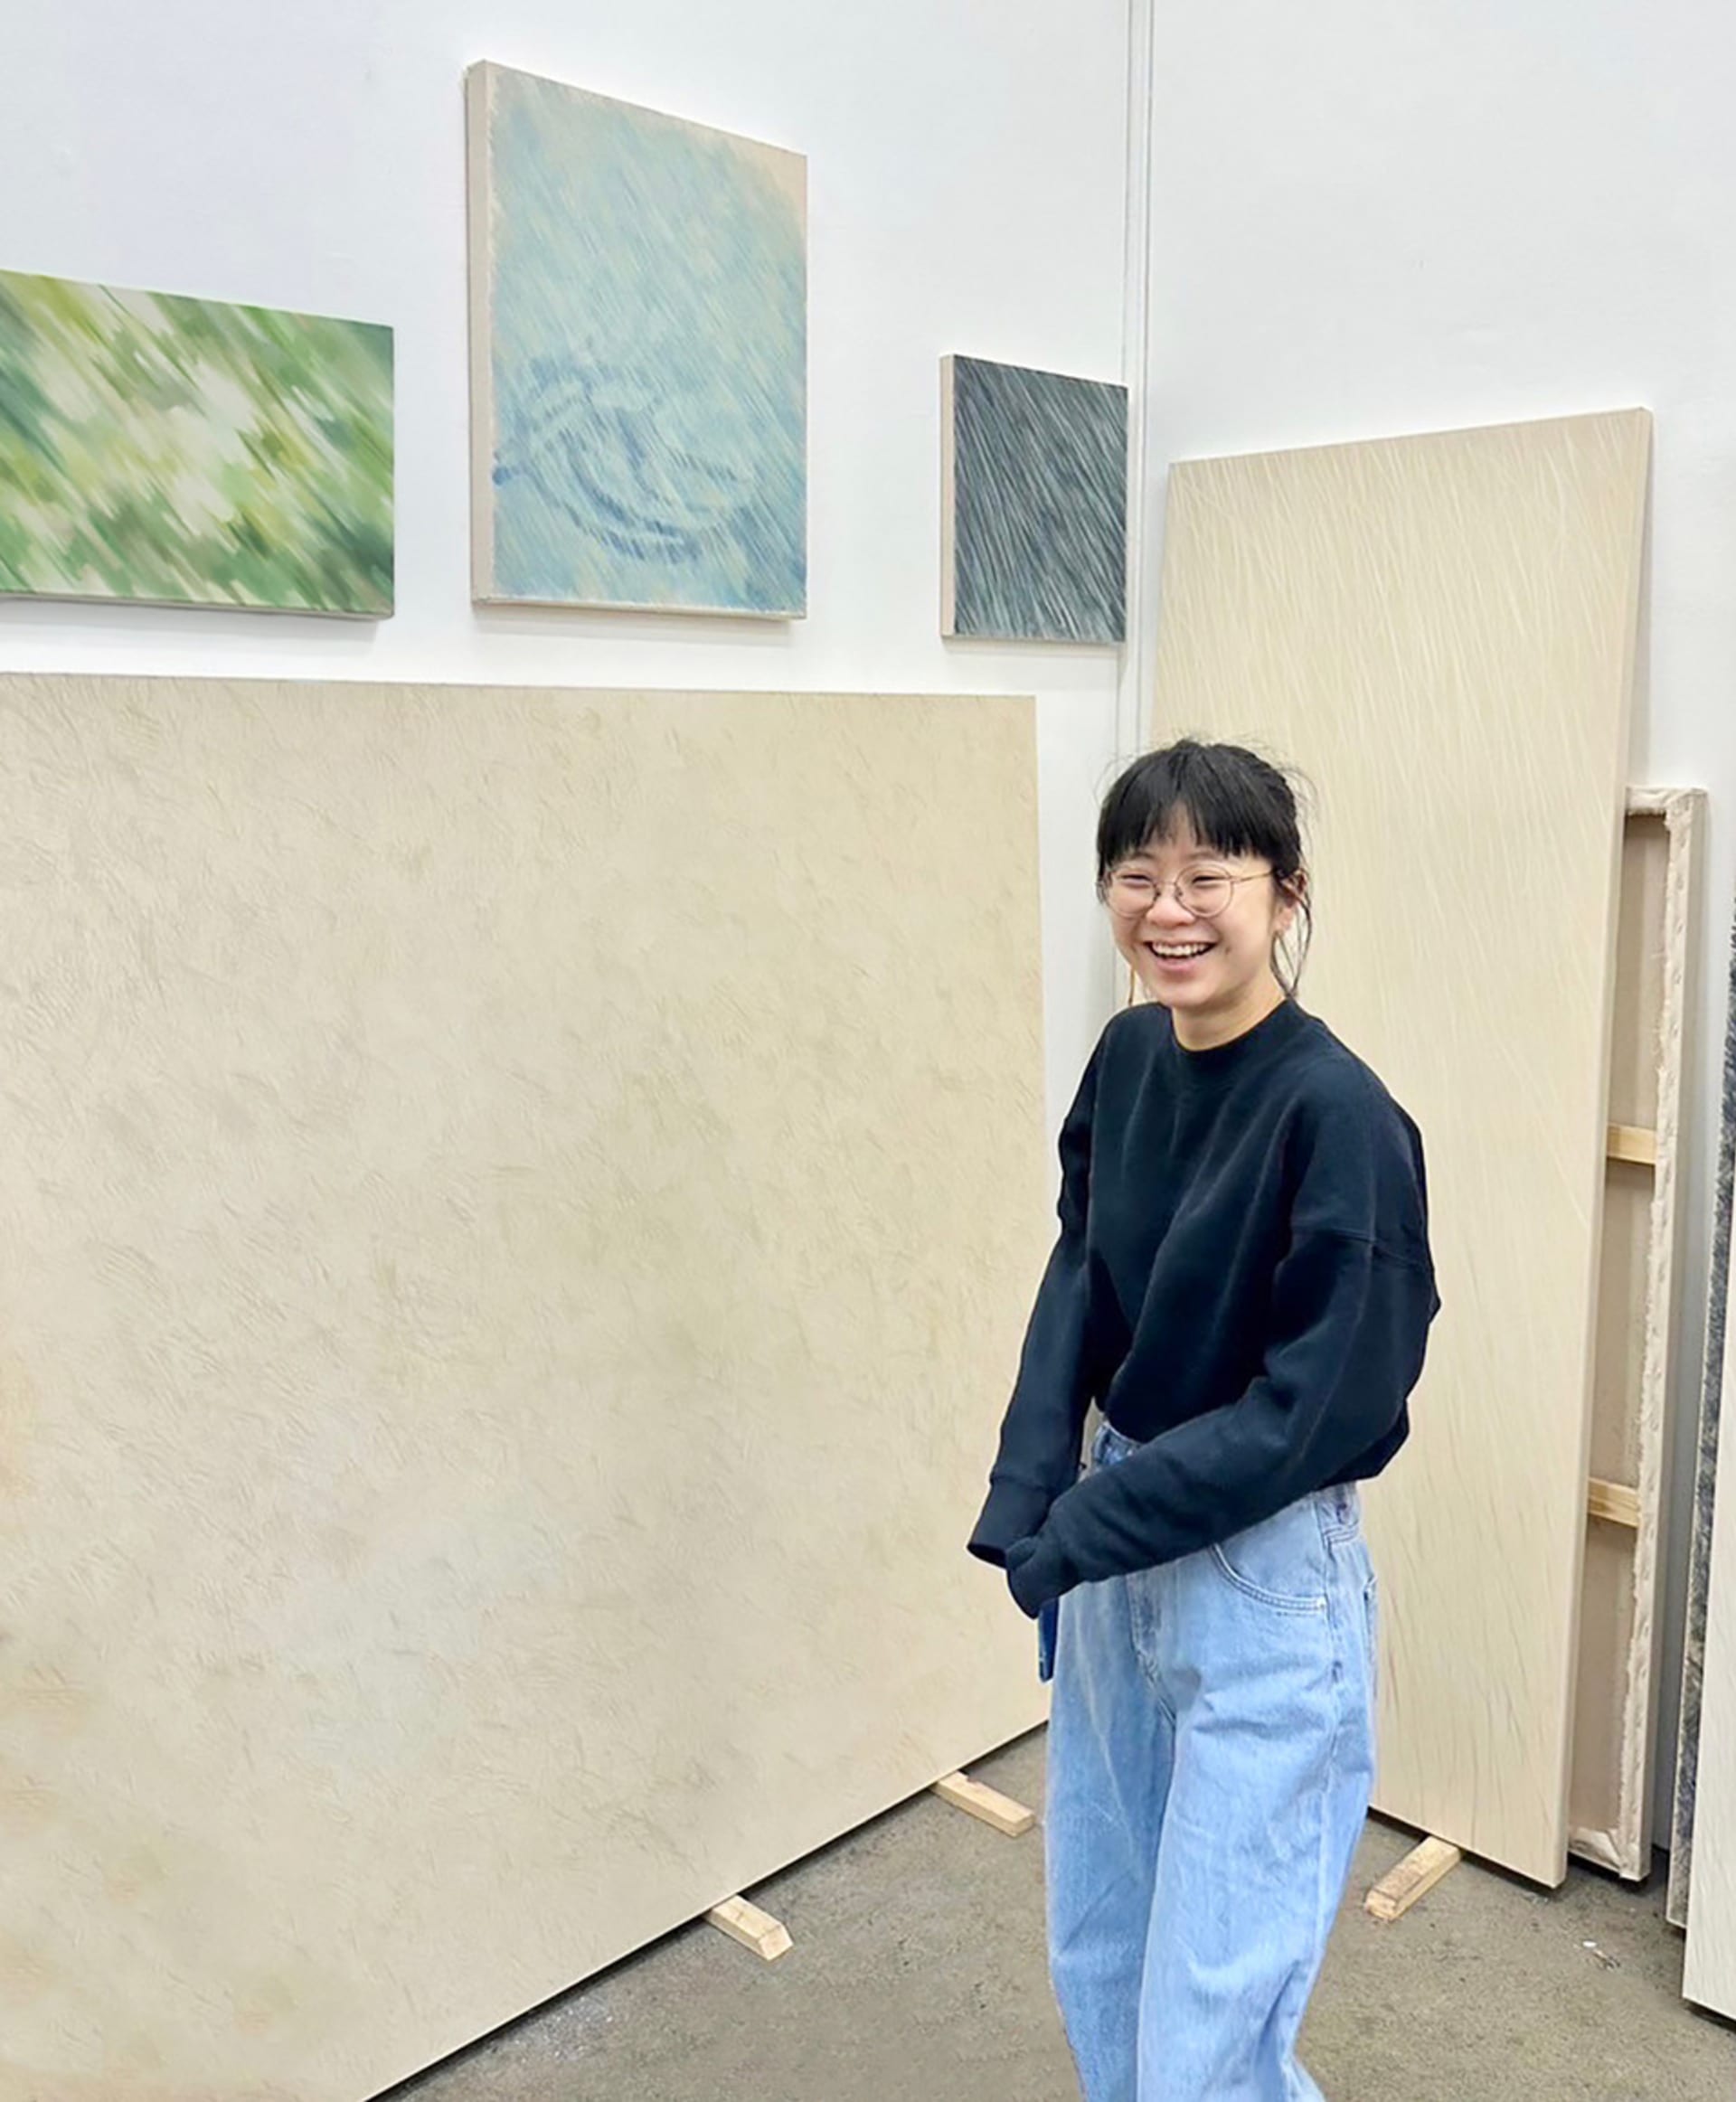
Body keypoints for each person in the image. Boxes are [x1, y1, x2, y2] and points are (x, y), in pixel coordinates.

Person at [967, 739, 1439, 2102]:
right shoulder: (1126, 1058)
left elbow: (1312, 1411)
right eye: (1136, 873)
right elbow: (1081, 1269)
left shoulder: (1338, 1114)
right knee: (1104, 1965)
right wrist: (1030, 1487)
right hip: (1116, 1560)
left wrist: (1086, 1520)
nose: (1167, 908)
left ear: (1285, 894)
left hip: (1261, 1579)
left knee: (1207, 2040)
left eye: (1208, 874)